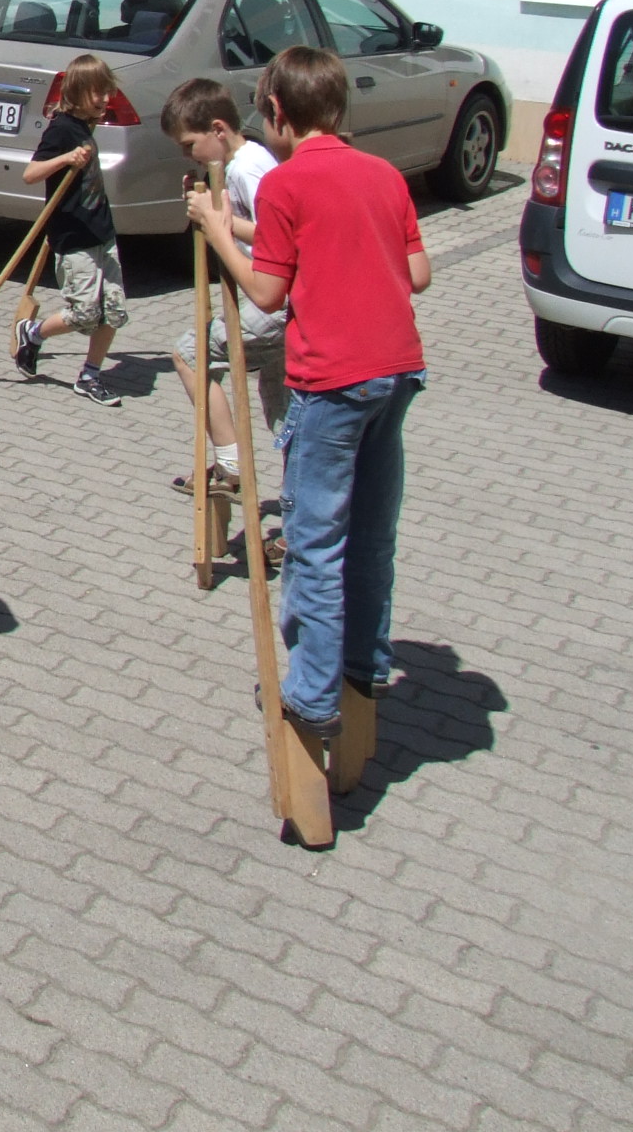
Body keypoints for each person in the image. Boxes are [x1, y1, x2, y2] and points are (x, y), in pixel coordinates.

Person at [189, 44, 430, 752]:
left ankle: (315, 695)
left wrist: (216, 230)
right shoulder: (384, 174)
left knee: (315, 543)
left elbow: (267, 292)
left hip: (333, 379)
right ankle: (364, 666)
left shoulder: (288, 183)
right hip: (397, 370)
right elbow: (417, 273)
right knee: (372, 534)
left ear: (276, 111)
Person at [161, 76, 288, 499]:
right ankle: (300, 496)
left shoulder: (248, 168)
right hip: (273, 297)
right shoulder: (238, 163)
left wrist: (218, 222)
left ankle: (231, 466)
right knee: (283, 407)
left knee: (190, 353)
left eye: (190, 145)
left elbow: (276, 234)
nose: (188, 155)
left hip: (274, 299)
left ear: (218, 129)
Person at [13, 53, 128, 405]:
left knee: (113, 311)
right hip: (74, 238)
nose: (105, 99)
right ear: (77, 92)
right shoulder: (62, 129)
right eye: (97, 93)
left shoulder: (85, 124)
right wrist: (65, 158)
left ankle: (90, 376)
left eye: (107, 92)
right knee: (84, 314)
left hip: (102, 233)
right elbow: (30, 175)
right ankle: (33, 334)